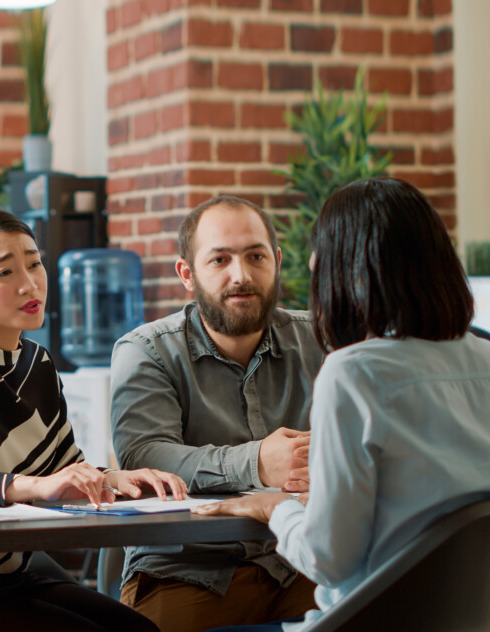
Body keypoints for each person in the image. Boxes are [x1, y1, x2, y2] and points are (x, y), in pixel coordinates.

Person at [193, 178, 490, 631]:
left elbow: (327, 560)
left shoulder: (354, 372)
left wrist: (275, 507)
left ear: (347, 269)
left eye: (320, 259)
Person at [0, 208, 186, 632]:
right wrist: (38, 486)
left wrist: (120, 479)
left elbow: (64, 469)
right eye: (4, 272)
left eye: (33, 263)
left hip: (7, 573)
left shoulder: (38, 364)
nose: (29, 284)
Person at [109, 195, 326, 631]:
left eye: (255, 256)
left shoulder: (322, 339)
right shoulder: (147, 351)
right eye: (220, 260)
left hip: (304, 560)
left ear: (277, 262)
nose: (241, 275)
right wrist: (258, 462)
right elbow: (145, 456)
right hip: (190, 570)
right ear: (187, 274)